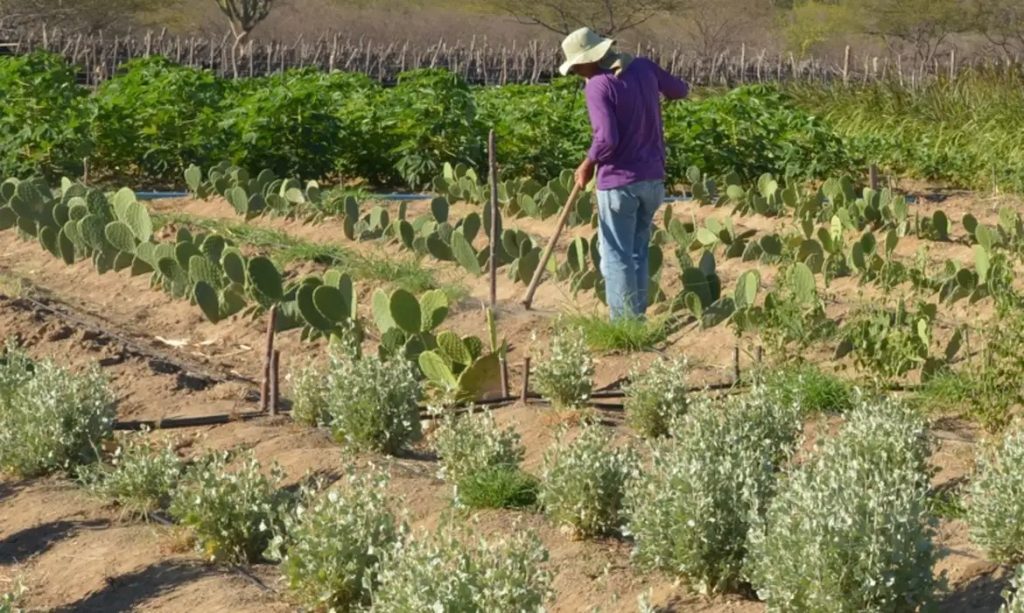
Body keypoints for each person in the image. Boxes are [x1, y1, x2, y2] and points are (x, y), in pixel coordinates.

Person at [559, 27, 689, 320]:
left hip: (619, 183)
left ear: (591, 59)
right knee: (638, 252)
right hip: (653, 180)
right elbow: (680, 90)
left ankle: (623, 325)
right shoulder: (643, 66)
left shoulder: (597, 85)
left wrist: (587, 163)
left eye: (578, 66)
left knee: (616, 256)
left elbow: (606, 139)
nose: (578, 72)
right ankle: (637, 319)